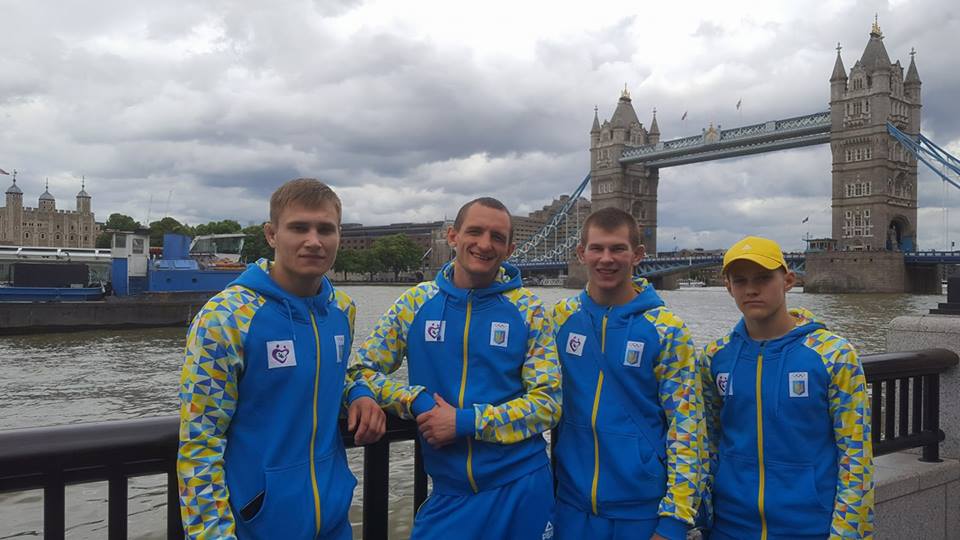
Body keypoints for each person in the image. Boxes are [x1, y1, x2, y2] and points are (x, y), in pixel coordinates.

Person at [176, 178, 386, 539]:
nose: (314, 241)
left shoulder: (342, 310)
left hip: (333, 521)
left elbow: (329, 376)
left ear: (339, 235)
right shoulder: (225, 317)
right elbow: (199, 441)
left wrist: (358, 392)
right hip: (259, 527)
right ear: (272, 234)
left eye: (326, 229)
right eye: (299, 228)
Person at [347, 197, 562, 540]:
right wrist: (415, 401)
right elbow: (359, 371)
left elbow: (548, 403)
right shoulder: (415, 303)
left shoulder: (530, 310)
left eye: (497, 237)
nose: (484, 244)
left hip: (522, 488)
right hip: (449, 493)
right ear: (453, 236)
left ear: (510, 250)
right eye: (475, 231)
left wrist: (466, 421)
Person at [701, 236, 874, 539]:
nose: (751, 289)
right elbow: (708, 442)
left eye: (763, 278)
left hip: (810, 527)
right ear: (728, 287)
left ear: (788, 280)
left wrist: (847, 533)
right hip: (729, 526)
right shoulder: (715, 357)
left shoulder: (834, 355)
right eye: (740, 280)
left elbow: (855, 454)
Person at [550, 207, 706, 540]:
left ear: (637, 255)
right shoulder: (560, 319)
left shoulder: (667, 330)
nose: (606, 258)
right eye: (597, 248)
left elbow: (687, 426)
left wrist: (675, 520)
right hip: (570, 506)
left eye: (618, 248)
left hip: (642, 512)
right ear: (581, 253)